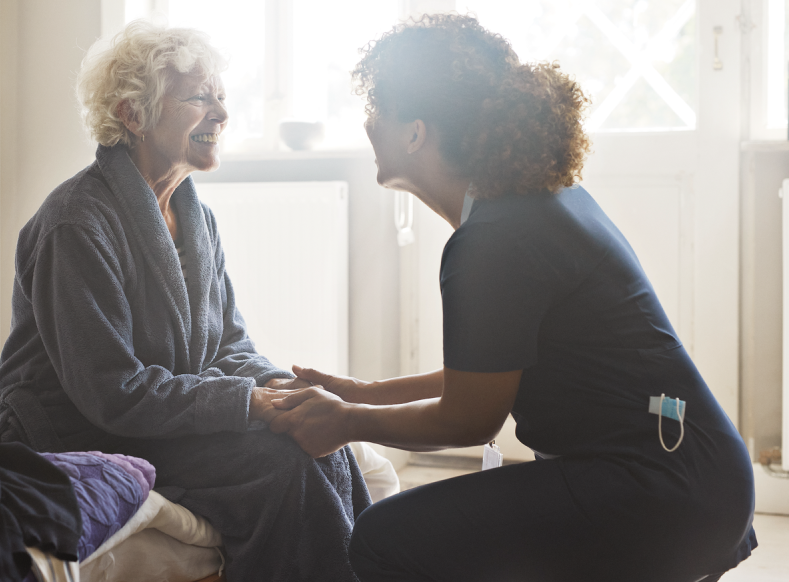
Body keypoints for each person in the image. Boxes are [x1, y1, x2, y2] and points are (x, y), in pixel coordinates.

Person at [270, 13, 757, 582]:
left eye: (378, 108)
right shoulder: (533, 204)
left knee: (383, 538)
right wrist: (367, 394)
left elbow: (469, 419)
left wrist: (347, 421)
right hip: (701, 475)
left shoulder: (493, 242)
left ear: (415, 132)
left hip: (663, 492)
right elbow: (490, 372)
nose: (367, 124)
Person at [0, 21, 370, 581]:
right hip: (64, 430)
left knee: (323, 441)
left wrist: (282, 390)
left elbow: (228, 342)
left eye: (221, 97)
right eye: (198, 97)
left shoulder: (194, 216)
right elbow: (110, 393)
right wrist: (247, 404)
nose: (221, 113)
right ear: (131, 115)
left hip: (150, 416)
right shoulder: (75, 224)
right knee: (282, 467)